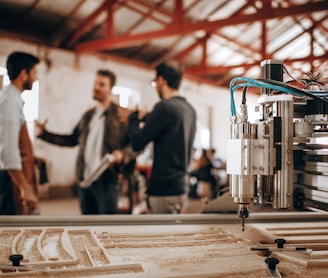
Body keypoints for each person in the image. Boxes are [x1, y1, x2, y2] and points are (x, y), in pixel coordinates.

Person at [36, 69, 137, 214]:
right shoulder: (88, 116)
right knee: (87, 225)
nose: (96, 87)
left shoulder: (121, 116)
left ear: (110, 88)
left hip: (107, 180)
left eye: (102, 84)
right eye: (95, 83)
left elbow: (136, 146)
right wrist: (44, 134)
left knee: (107, 227)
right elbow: (71, 139)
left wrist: (122, 154)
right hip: (85, 181)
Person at [118, 60, 197, 214]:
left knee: (163, 235)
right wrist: (147, 117)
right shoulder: (189, 110)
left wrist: (133, 118)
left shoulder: (164, 107)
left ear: (161, 80)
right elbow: (167, 126)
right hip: (181, 188)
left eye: (155, 82)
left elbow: (137, 142)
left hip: (163, 190)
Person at [0, 51, 39, 215]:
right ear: (24, 74)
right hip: (9, 180)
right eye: (34, 73)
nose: (36, 78)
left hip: (11, 177)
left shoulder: (12, 99)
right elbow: (8, 151)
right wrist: (25, 188)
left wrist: (32, 157)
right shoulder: (10, 101)